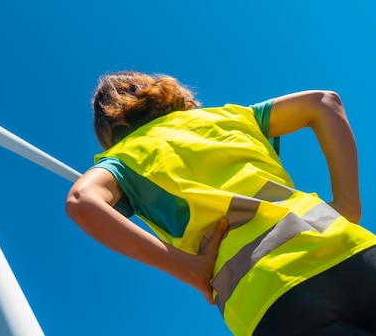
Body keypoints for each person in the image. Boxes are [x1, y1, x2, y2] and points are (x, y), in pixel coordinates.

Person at [66, 71, 376, 336]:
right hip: (353, 251)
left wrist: (187, 269)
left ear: (110, 131)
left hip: (269, 292)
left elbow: (82, 200)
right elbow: (323, 101)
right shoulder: (228, 117)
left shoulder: (124, 158)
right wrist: (348, 204)